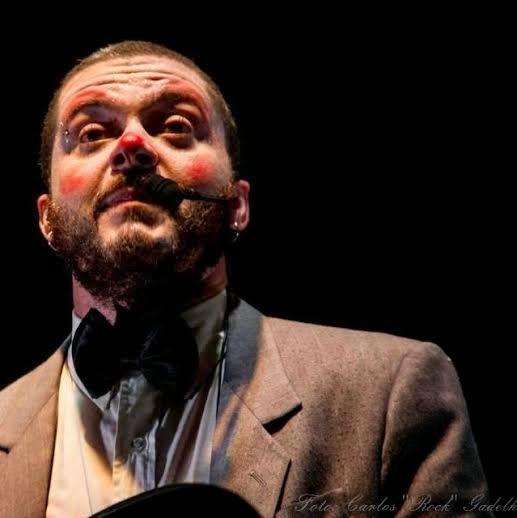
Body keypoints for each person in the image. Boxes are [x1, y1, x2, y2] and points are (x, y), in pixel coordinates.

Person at [0, 40, 492, 518]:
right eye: (91, 134)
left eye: (175, 127)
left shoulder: (388, 391)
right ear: (47, 220)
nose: (132, 145)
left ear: (237, 205)